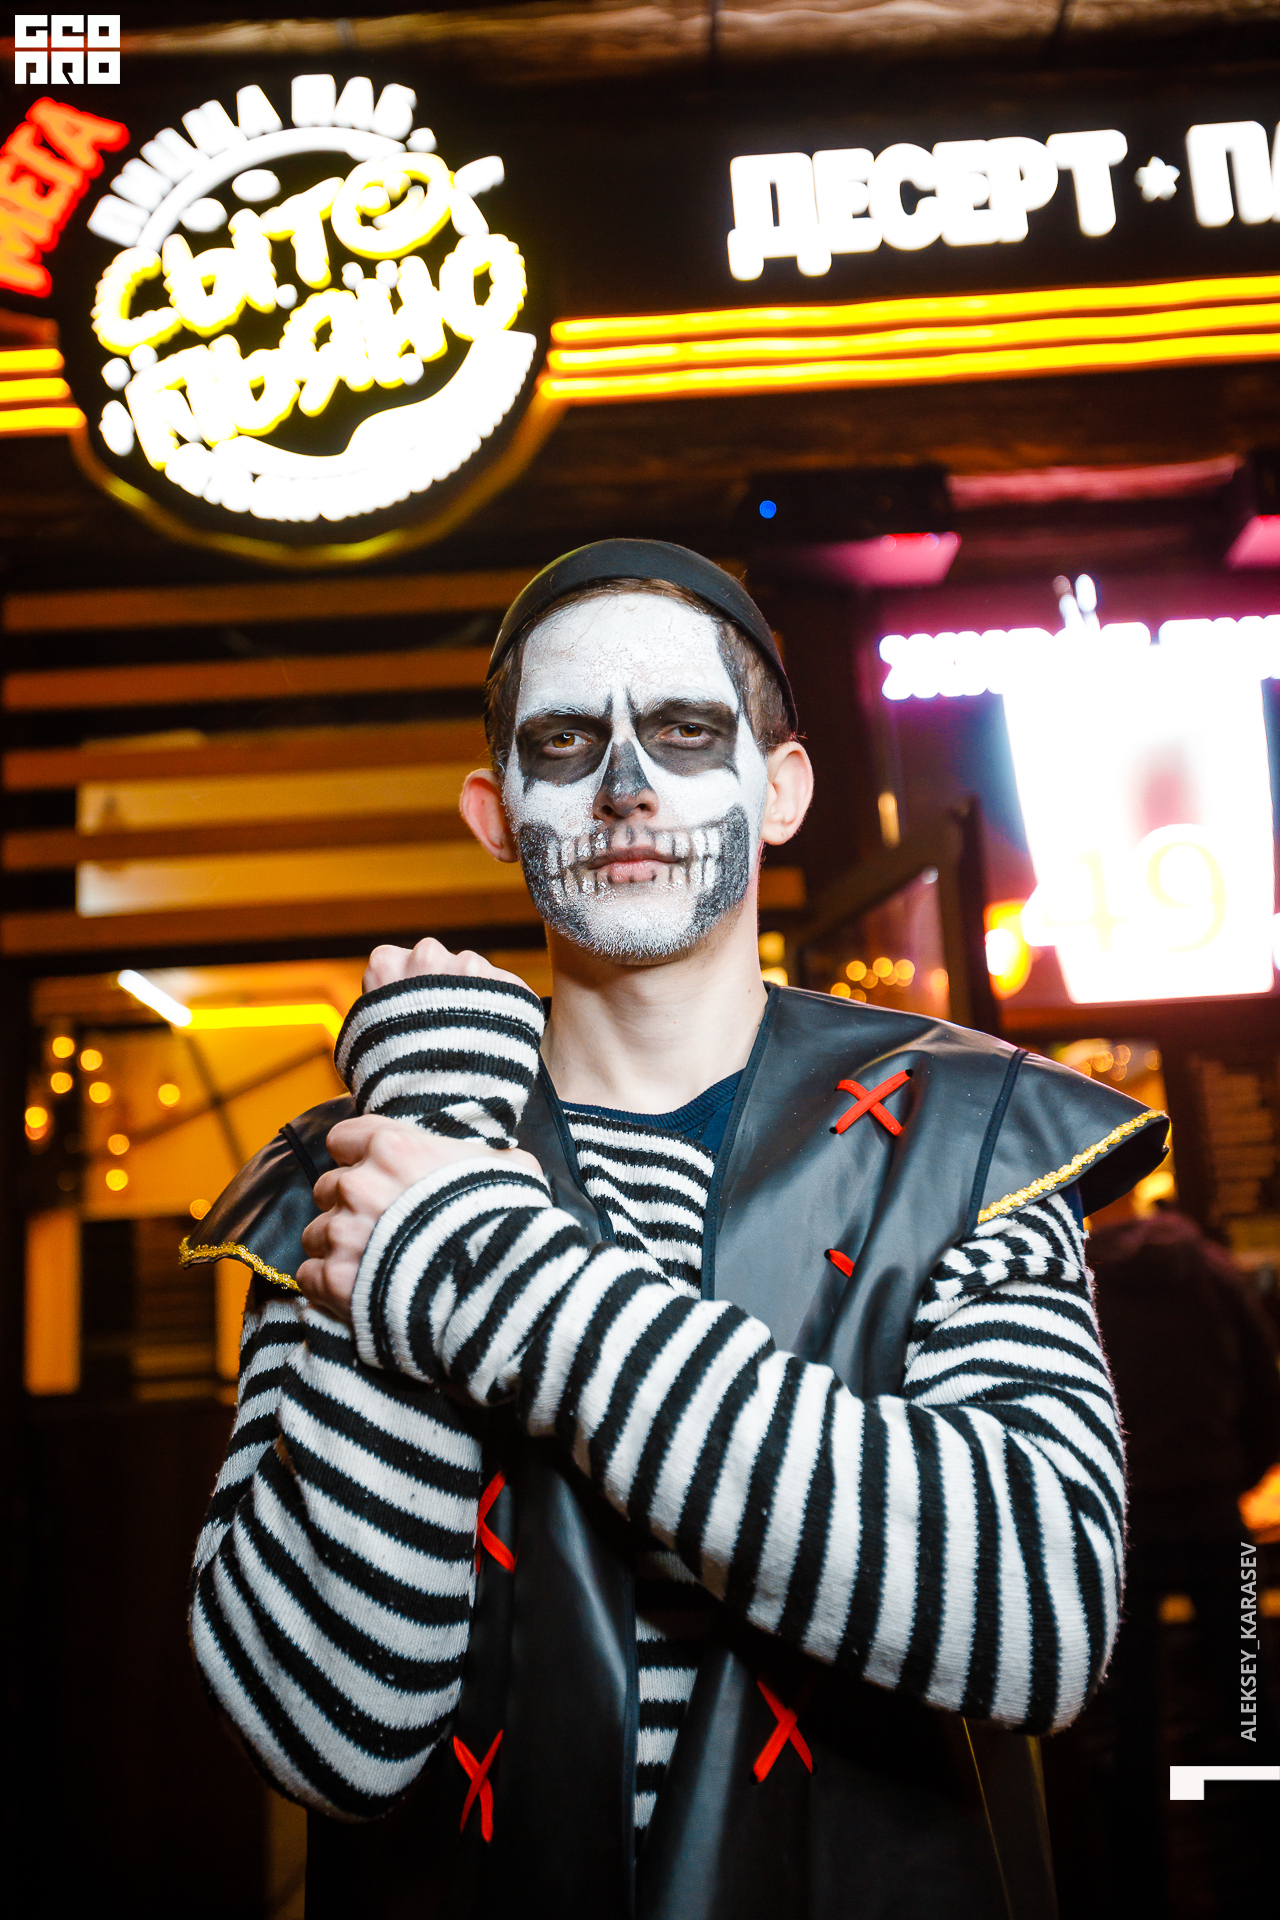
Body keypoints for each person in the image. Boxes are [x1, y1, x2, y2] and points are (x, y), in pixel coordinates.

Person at [183, 540, 1169, 1920]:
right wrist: (440, 1115)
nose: (626, 785)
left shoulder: (969, 1139)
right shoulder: (363, 1165)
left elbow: (1039, 1619)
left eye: (687, 729)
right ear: (495, 812)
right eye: (565, 740)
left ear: (782, 789)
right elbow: (328, 1735)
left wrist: (484, 1268)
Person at [1085, 1212, 1280, 1915]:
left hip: (1125, 1527)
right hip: (1215, 1515)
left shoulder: (1087, 1288)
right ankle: (1261, 1838)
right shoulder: (1215, 1276)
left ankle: (1139, 1873)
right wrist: (1233, 1476)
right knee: (1248, 1688)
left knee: (1130, 1707)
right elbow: (1266, 1392)